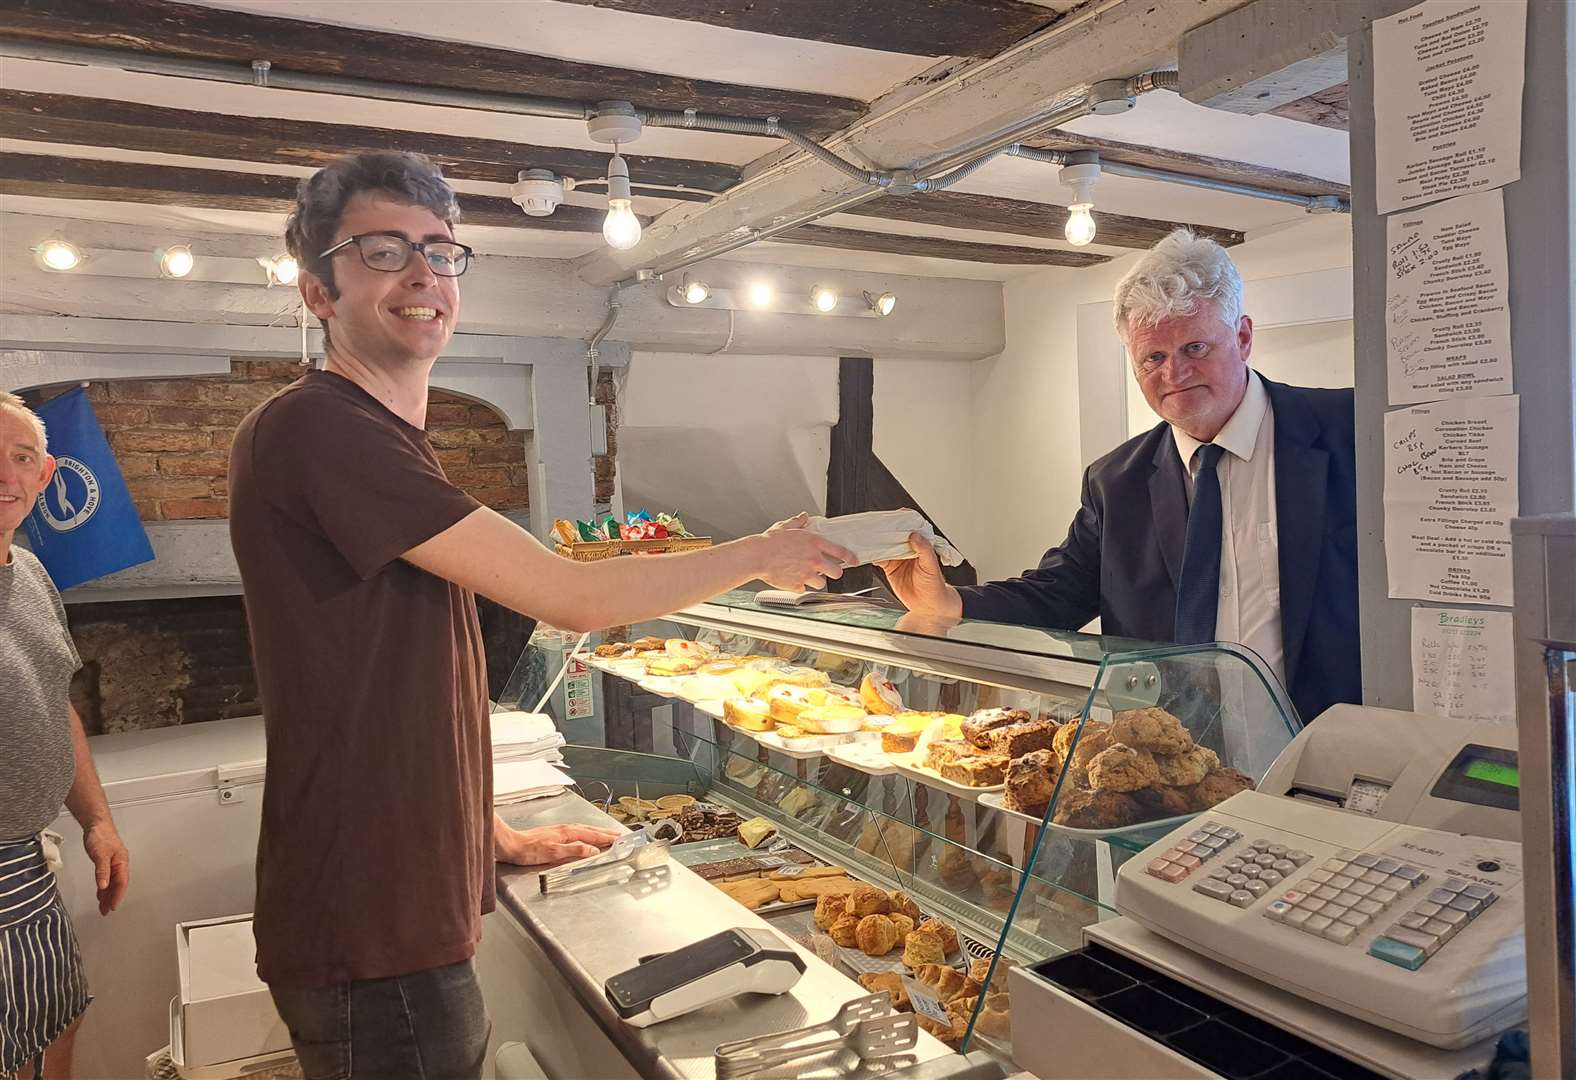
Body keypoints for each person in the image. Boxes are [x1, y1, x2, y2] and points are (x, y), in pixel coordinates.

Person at [227, 151, 853, 1080]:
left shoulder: (378, 439)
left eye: (441, 253)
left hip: (393, 899)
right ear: (319, 292)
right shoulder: (320, 428)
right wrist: (763, 553)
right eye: (383, 250)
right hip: (371, 918)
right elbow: (574, 595)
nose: (423, 276)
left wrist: (489, 837)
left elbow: (396, 689)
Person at [880, 229, 1359, 725]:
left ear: (1242, 337)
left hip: (1328, 752)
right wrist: (949, 601)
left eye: (1195, 347)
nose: (1175, 374)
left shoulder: (1350, 430)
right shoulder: (1117, 481)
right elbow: (1058, 594)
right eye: (1153, 357)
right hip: (1176, 762)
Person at [0, 393, 131, 1080]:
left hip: (26, 857)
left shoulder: (31, 575)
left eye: (21, 459)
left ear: (46, 476)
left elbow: (56, 700)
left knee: (54, 1022)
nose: (6, 476)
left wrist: (98, 821)